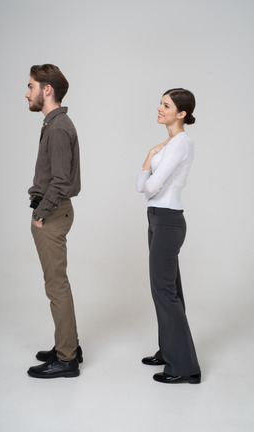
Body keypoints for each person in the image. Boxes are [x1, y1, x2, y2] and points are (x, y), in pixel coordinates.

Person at [136, 88, 201, 384]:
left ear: (182, 113)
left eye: (166, 105)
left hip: (168, 220)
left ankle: (185, 367)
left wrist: (151, 157)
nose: (159, 108)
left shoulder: (180, 144)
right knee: (168, 290)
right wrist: (151, 153)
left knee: (164, 292)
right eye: (160, 104)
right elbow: (143, 186)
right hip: (157, 219)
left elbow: (150, 187)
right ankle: (170, 351)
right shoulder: (168, 144)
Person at [25, 64, 82, 379]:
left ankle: (66, 359)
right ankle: (69, 344)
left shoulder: (58, 127)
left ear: (47, 89)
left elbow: (60, 181)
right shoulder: (54, 123)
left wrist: (39, 213)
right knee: (58, 284)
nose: (27, 92)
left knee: (56, 286)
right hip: (55, 211)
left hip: (53, 214)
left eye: (31, 85)